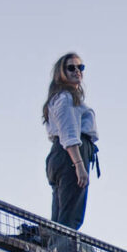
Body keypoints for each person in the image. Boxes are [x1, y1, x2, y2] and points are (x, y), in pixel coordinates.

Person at [43, 52, 99, 232]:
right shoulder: (65, 98)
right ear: (61, 72)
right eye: (71, 68)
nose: (77, 71)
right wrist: (79, 165)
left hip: (62, 155)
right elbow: (69, 134)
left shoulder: (62, 98)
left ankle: (57, 247)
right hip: (70, 154)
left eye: (80, 67)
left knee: (61, 216)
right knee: (69, 217)